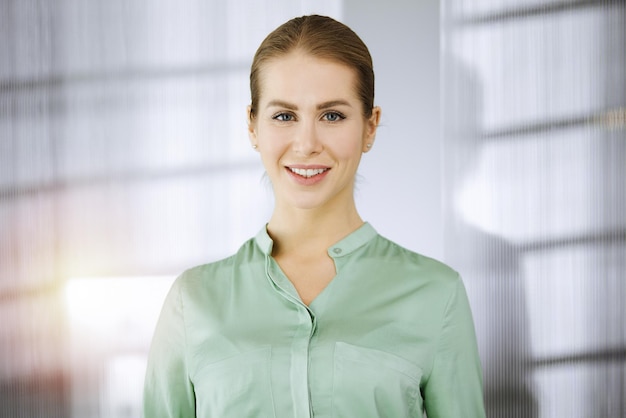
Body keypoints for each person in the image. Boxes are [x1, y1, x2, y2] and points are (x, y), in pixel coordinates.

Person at [143, 15, 485, 418]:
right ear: (252, 126)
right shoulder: (194, 301)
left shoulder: (435, 295)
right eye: (284, 116)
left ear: (370, 127)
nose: (306, 145)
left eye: (332, 116)